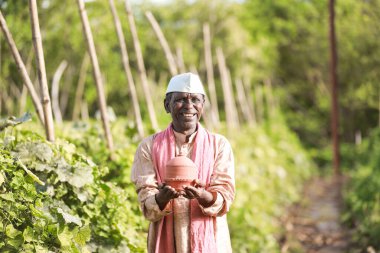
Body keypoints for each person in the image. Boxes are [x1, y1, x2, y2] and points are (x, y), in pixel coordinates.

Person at [131, 72, 235, 253]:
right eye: (180, 100)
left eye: (195, 100)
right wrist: (161, 198)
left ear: (203, 105)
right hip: (165, 241)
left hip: (212, 242)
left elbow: (225, 195)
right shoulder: (149, 146)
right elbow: (146, 199)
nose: (189, 106)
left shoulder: (219, 145)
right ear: (167, 105)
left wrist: (203, 196)